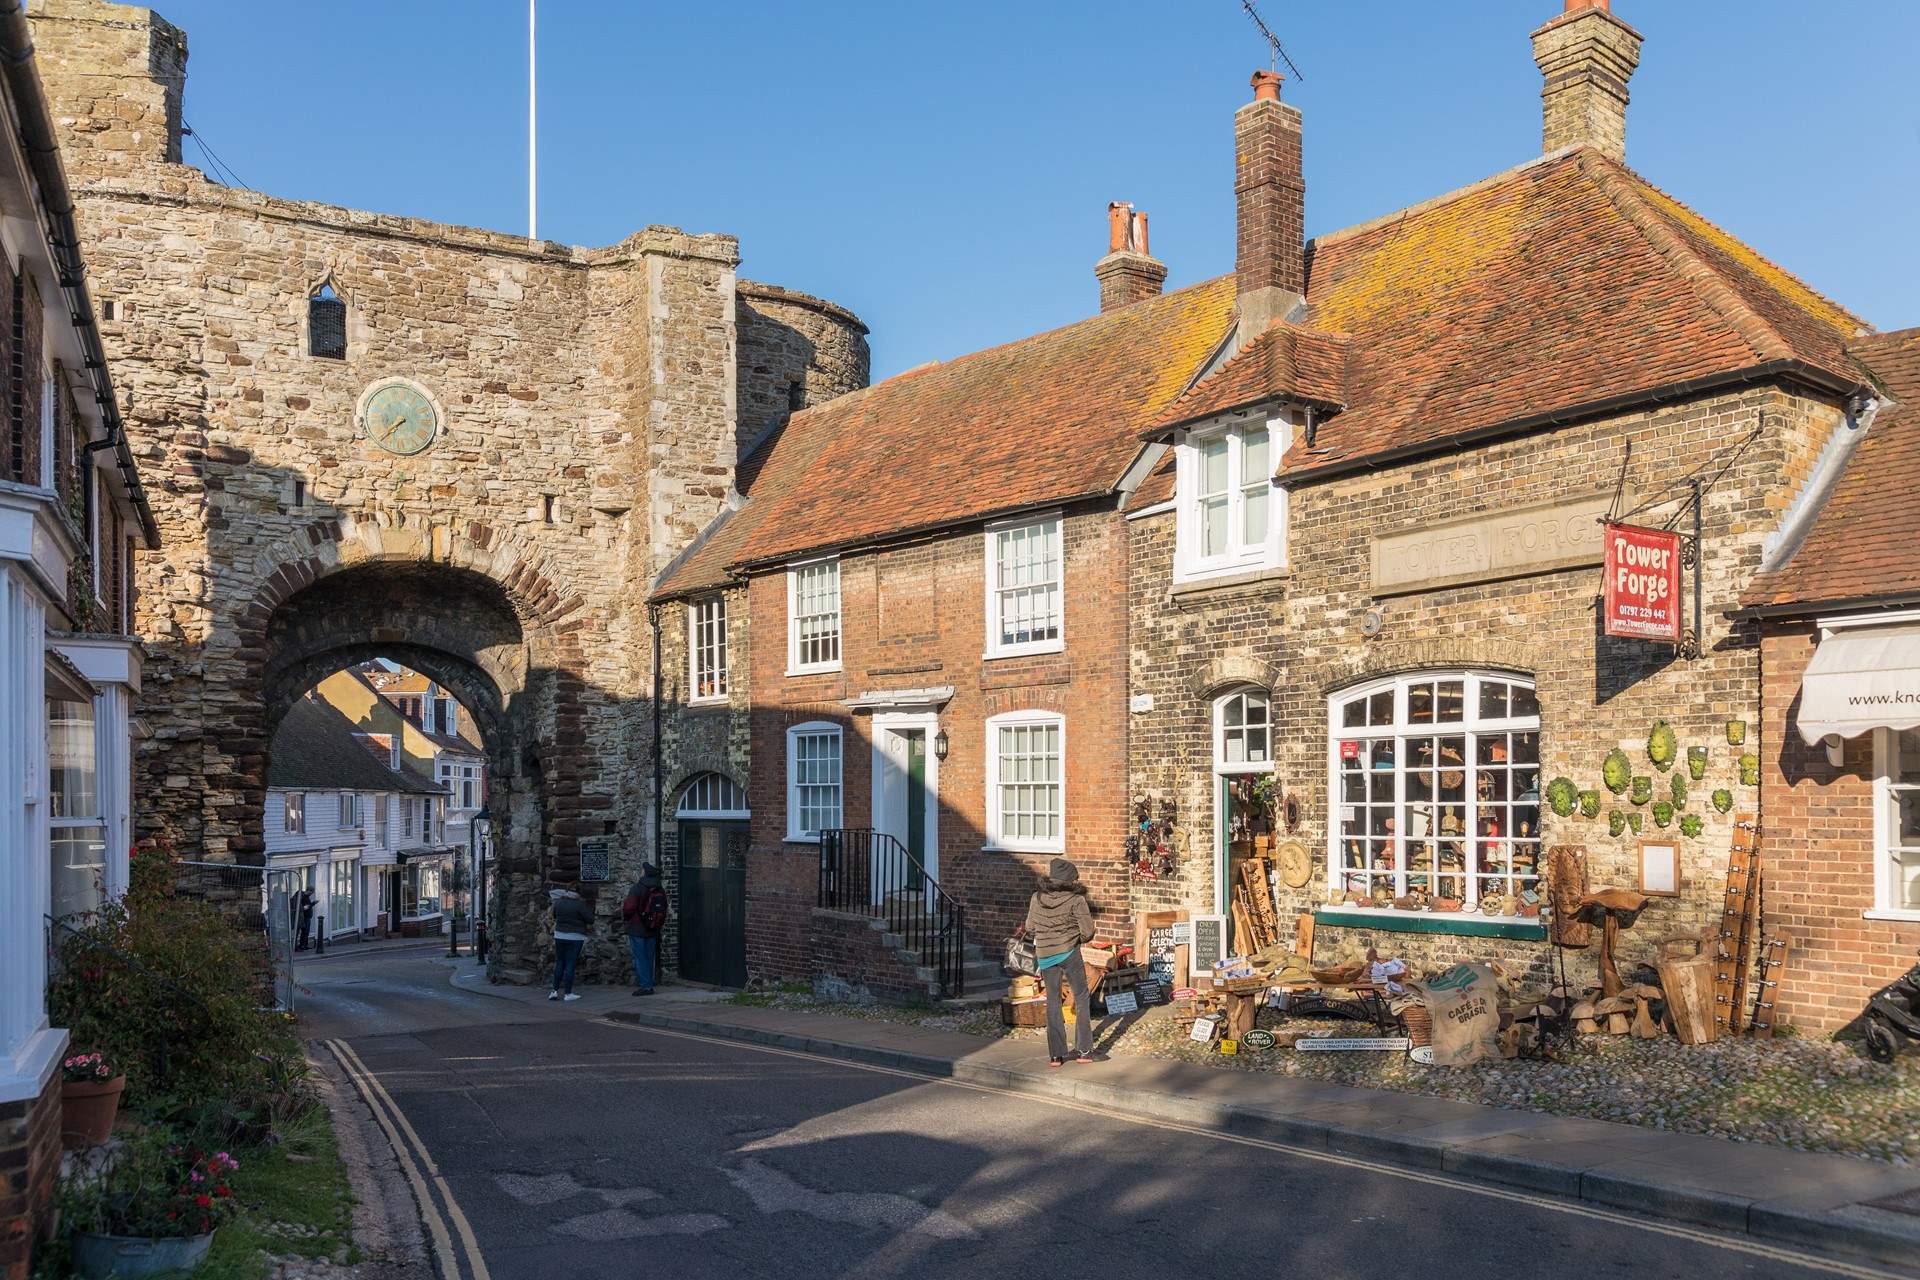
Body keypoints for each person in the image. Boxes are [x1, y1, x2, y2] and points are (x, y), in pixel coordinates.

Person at [1023, 857, 1096, 1067]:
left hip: (1045, 955)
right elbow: (1088, 931)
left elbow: (1029, 928)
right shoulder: (1077, 900)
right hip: (1069, 953)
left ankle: (1056, 1056)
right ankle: (1083, 1051)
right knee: (1081, 997)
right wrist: (1076, 939)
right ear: (1071, 880)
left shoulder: (1036, 898)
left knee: (1053, 1001)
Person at [620, 863, 667, 996]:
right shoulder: (659, 889)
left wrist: (627, 917)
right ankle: (649, 981)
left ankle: (646, 986)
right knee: (649, 956)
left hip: (637, 927)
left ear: (645, 873)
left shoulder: (637, 888)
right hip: (652, 927)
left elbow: (629, 908)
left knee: (640, 957)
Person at [548, 884, 593, 1002]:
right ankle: (568, 993)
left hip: (560, 935)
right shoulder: (579, 905)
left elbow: (554, 915)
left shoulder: (559, 903)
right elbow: (590, 919)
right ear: (578, 893)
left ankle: (554, 991)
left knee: (560, 962)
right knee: (570, 963)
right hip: (575, 936)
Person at [294, 886, 316, 952]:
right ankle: (301, 945)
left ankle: (304, 945)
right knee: (304, 932)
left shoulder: (306, 897)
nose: (312, 893)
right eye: (312, 892)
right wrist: (313, 904)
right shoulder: (303, 897)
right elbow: (304, 908)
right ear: (309, 890)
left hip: (306, 917)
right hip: (304, 917)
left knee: (306, 932)